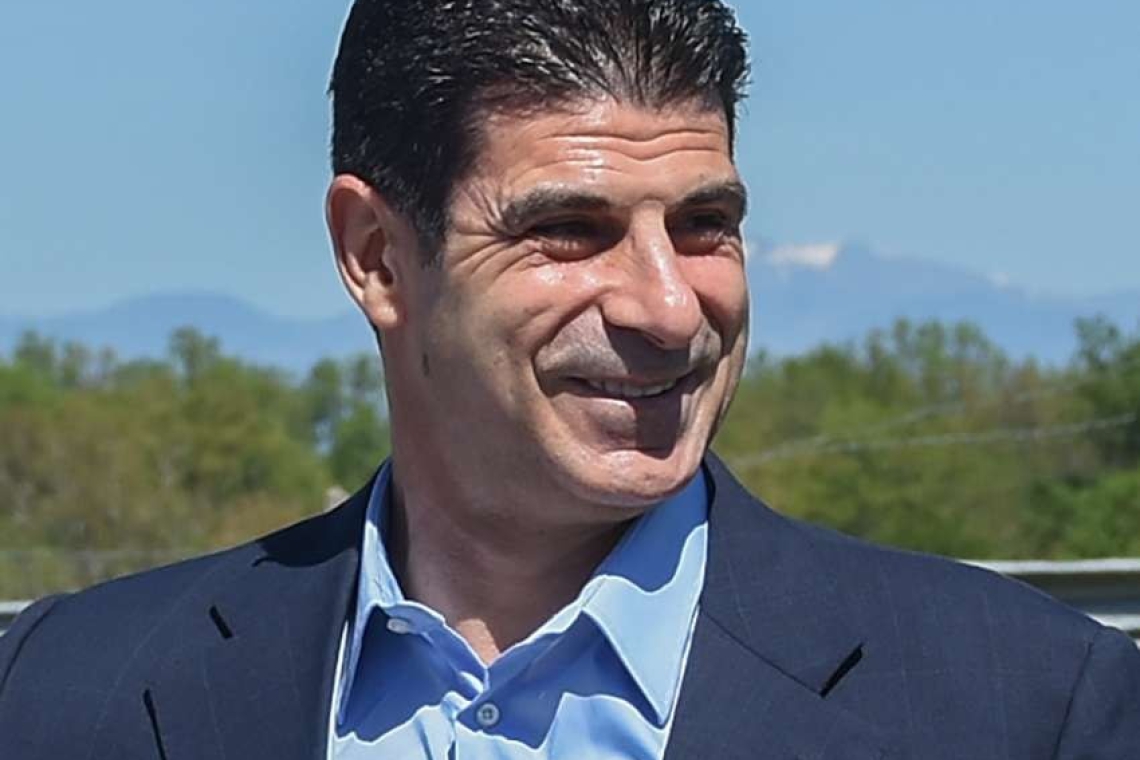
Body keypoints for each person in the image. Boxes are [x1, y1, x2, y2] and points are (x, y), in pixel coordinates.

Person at [2, 0, 1138, 757]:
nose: (668, 305)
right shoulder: (62, 696)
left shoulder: (1025, 709)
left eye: (705, 224)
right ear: (378, 256)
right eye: (570, 230)